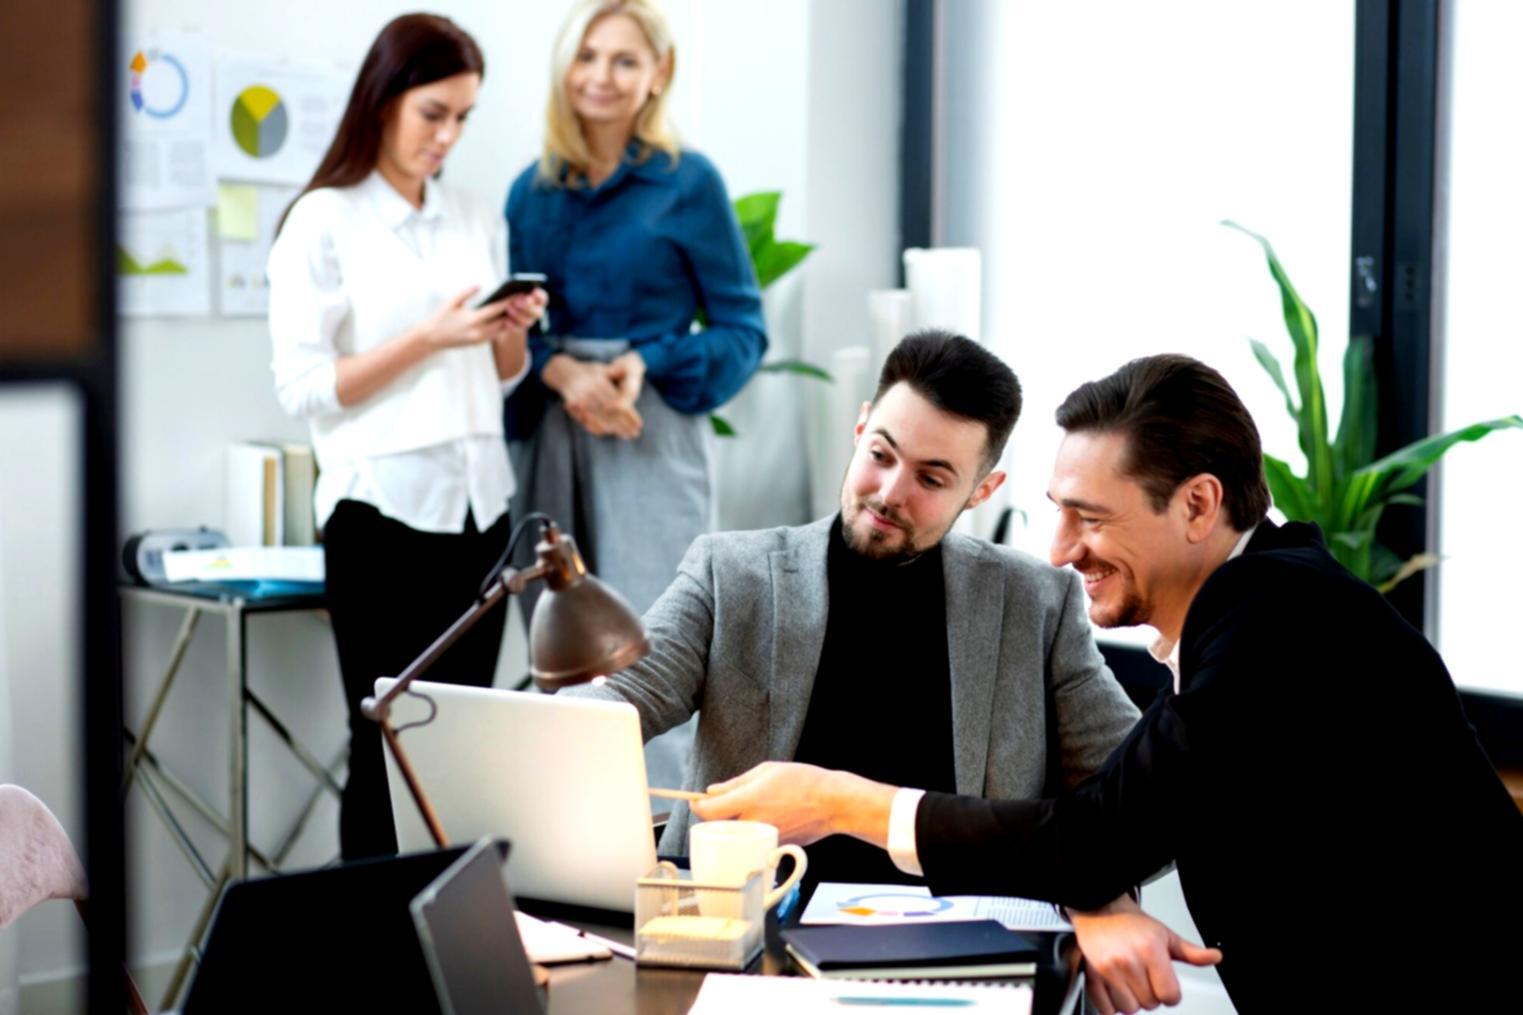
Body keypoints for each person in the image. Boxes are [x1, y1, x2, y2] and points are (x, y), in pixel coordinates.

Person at [697, 354, 1523, 1011]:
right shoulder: (1258, 603)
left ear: (1198, 505)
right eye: (1057, 511)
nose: (1059, 550)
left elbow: (1095, 833)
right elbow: (1125, 806)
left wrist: (843, 801)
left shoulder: (1275, 626)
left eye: (1089, 518)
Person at [566, 331, 1141, 893]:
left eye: (931, 478)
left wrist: (1098, 894)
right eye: (881, 454)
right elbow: (613, 705)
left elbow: (1146, 799)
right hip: (747, 928)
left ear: (981, 491)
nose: (891, 491)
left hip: (960, 946)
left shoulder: (1035, 604)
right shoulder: (731, 574)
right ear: (861, 425)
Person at [267, 13, 547, 861]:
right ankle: (370, 952)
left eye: (462, 116)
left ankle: (447, 959)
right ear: (383, 101)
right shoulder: (322, 220)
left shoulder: (472, 213)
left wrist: (511, 327)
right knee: (385, 745)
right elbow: (303, 387)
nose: (448, 135)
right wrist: (430, 336)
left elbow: (502, 375)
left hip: (479, 512)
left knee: (457, 758)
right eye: (434, 113)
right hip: (380, 514)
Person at [504, 0, 767, 790]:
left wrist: (642, 363)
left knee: (657, 647)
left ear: (658, 74)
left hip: (644, 433)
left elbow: (742, 330)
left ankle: (670, 860)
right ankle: (568, 851)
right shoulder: (530, 192)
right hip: (550, 435)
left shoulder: (690, 183)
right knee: (556, 657)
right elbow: (510, 326)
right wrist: (559, 370)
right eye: (587, 56)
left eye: (624, 60)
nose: (602, 77)